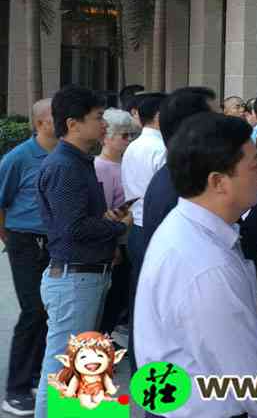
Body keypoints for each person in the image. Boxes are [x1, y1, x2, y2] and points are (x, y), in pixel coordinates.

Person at [134, 113, 257, 418]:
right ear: (218, 181)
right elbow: (254, 383)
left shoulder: (189, 226)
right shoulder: (207, 267)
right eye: (253, 166)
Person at [140, 87, 257, 321]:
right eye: (215, 118)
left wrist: (245, 178)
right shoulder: (210, 269)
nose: (223, 122)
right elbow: (244, 246)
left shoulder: (178, 178)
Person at [34, 86, 131, 418]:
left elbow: (78, 221)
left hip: (84, 277)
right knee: (62, 369)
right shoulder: (65, 166)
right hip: (74, 280)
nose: (104, 124)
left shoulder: (78, 162)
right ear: (73, 124)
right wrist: (119, 227)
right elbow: (72, 228)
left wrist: (107, 221)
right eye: (98, 117)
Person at [0, 99, 56, 416]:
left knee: (48, 312)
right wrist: (9, 237)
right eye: (57, 116)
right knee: (33, 311)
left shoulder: (65, 154)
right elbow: (1, 201)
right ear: (40, 123)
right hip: (24, 241)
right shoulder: (18, 158)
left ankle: (35, 377)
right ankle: (15, 390)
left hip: (54, 243)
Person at [121, 91, 167, 372]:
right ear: (159, 116)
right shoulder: (161, 149)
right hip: (154, 230)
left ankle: (140, 364)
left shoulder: (134, 146)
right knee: (154, 306)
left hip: (137, 230)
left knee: (139, 300)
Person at [94, 108, 140, 337]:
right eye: (124, 135)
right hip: (116, 242)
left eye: (130, 134)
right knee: (111, 300)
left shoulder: (126, 163)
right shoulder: (101, 167)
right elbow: (104, 212)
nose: (128, 139)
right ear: (106, 137)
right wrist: (112, 246)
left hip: (128, 238)